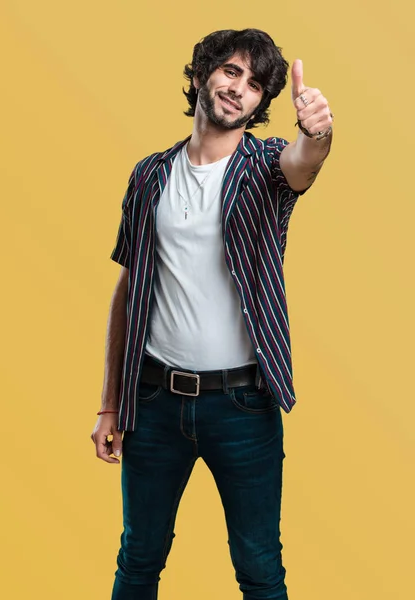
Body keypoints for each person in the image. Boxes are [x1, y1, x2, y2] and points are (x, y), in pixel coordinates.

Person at [91, 28, 333, 600]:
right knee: (139, 558)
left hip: (242, 406)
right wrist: (109, 404)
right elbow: (129, 291)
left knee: (259, 568)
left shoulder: (266, 167)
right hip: (151, 404)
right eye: (230, 71)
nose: (238, 89)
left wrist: (318, 132)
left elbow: (304, 163)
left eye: (253, 85)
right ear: (201, 75)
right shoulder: (149, 175)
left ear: (260, 104)